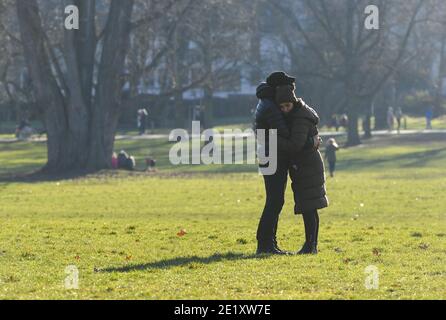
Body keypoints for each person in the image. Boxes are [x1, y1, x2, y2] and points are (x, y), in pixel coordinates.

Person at [253, 71, 322, 255]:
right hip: (274, 158)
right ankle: (265, 244)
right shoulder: (271, 107)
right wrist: (309, 141)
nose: (284, 109)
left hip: (274, 158)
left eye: (286, 105)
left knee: (277, 201)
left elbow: (287, 139)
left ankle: (268, 243)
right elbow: (289, 140)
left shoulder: (267, 103)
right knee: (275, 201)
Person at [275, 85, 329, 255]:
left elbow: (295, 145)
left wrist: (273, 139)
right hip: (305, 165)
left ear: (293, 102)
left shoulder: (299, 118)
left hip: (307, 166)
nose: (284, 110)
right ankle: (311, 245)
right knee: (309, 206)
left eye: (287, 106)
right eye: (281, 107)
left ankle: (310, 245)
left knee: (309, 207)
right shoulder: (298, 114)